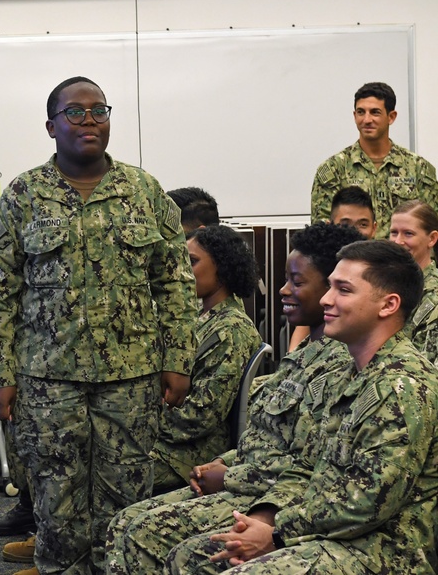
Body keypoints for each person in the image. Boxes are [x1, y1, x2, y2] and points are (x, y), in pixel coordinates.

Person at [0, 75, 196, 575]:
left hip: (131, 380)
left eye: (99, 110)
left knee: (125, 504)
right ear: (51, 126)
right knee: (57, 505)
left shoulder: (143, 191)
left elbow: (176, 283)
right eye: (75, 112)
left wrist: (179, 360)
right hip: (49, 382)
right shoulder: (23, 196)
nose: (89, 120)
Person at [102, 222, 363, 575]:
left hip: (267, 493)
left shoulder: (338, 362)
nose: (283, 290)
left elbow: (303, 465)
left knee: (142, 530)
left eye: (297, 283)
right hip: (242, 472)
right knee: (125, 521)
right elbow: (262, 435)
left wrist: (227, 475)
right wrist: (223, 462)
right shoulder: (303, 353)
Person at [167, 240, 436, 575]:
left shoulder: (402, 386)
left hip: (381, 549)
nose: (326, 298)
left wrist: (278, 533)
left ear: (388, 304)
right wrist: (266, 519)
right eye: (330, 286)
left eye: (344, 290)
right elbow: (306, 464)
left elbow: (366, 504)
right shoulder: (350, 373)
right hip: (325, 530)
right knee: (191, 557)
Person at [151, 225, 262, 493]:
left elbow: (200, 417)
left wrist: (141, 420)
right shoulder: (200, 318)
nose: (182, 269)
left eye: (192, 261)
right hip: (171, 441)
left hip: (190, 454)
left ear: (222, 268)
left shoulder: (231, 329)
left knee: (108, 469)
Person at [310, 81, 438, 238]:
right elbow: (321, 231)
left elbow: (431, 227)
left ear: (391, 117)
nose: (367, 119)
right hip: (353, 259)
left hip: (403, 260)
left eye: (375, 112)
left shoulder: (419, 168)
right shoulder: (333, 169)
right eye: (361, 112)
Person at [288, 186, 377, 350]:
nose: (354, 231)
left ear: (374, 228)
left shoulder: (382, 272)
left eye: (363, 224)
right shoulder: (325, 263)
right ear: (330, 225)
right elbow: (304, 330)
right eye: (345, 224)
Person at [390, 199, 438, 361]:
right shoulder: (386, 285)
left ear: (432, 239)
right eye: (394, 232)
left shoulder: (434, 297)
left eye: (408, 233)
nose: (398, 241)